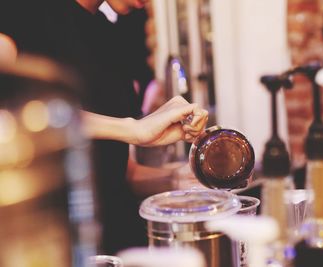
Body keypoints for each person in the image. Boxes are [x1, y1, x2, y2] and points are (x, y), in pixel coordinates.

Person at [0, 0, 208, 254]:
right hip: (53, 250)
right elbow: (9, 108)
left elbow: (117, 171)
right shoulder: (20, 10)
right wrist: (131, 128)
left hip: (116, 249)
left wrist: (175, 179)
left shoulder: (109, 37)